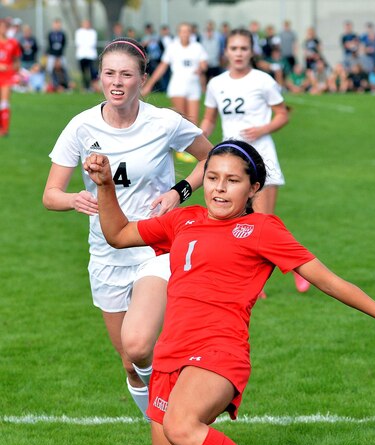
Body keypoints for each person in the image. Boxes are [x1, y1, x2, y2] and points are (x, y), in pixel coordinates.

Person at [84, 139, 375, 445]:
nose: (219, 189)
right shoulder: (183, 221)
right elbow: (119, 234)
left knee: (181, 426)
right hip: (170, 359)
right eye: (212, 178)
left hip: (219, 352)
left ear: (253, 188)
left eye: (232, 181)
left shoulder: (263, 230)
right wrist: (104, 185)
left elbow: (328, 280)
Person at [43, 38, 213, 419]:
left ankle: (173, 424)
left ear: (143, 79)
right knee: (130, 363)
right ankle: (160, 421)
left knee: (138, 346)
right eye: (109, 74)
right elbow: (50, 194)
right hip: (107, 252)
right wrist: (74, 199)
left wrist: (179, 190)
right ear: (99, 77)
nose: (116, 82)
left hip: (155, 247)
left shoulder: (164, 122)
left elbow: (211, 158)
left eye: (126, 74)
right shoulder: (81, 127)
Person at [201, 28, 308, 295]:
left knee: (261, 222)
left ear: (252, 51)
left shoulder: (263, 81)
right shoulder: (216, 84)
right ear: (226, 51)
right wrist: (193, 138)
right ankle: (276, 272)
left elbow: (283, 115)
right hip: (231, 161)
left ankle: (288, 271)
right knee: (237, 222)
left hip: (261, 158)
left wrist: (262, 129)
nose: (238, 53)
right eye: (234, 48)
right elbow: (210, 119)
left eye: (243, 48)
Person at [141, 22, 208, 129]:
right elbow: (162, 66)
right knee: (183, 120)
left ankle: (194, 144)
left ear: (190, 33)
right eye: (182, 31)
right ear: (178, 33)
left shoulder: (197, 47)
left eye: (187, 31)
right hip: (178, 86)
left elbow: (204, 64)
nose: (185, 34)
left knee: (194, 123)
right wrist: (149, 85)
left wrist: (200, 69)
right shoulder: (173, 47)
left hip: (193, 86)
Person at [0, 18, 22, 137]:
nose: (3, 29)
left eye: (5, 27)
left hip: (7, 77)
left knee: (4, 101)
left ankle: (5, 129)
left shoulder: (13, 43)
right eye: (1, 27)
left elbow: (16, 61)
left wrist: (15, 73)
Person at [75, 19, 98, 91]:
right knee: (83, 72)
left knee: (92, 71)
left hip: (90, 55)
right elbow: (78, 42)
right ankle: (85, 86)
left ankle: (92, 86)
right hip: (81, 55)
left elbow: (92, 43)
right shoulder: (79, 32)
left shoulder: (93, 32)